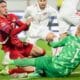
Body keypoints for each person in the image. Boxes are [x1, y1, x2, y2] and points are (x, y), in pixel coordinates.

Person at [5, 24, 80, 77]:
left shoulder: (70, 38)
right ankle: (32, 74)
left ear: (77, 31)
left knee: (40, 60)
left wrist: (49, 42)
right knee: (48, 60)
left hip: (55, 67)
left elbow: (54, 45)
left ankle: (10, 61)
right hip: (65, 73)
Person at [0, 0, 45, 77]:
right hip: (11, 50)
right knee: (33, 70)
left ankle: (23, 60)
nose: (6, 8)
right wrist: (25, 25)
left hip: (20, 45)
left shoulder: (12, 16)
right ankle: (11, 71)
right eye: (3, 7)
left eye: (6, 6)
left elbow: (24, 28)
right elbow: (11, 33)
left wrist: (29, 23)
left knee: (41, 52)